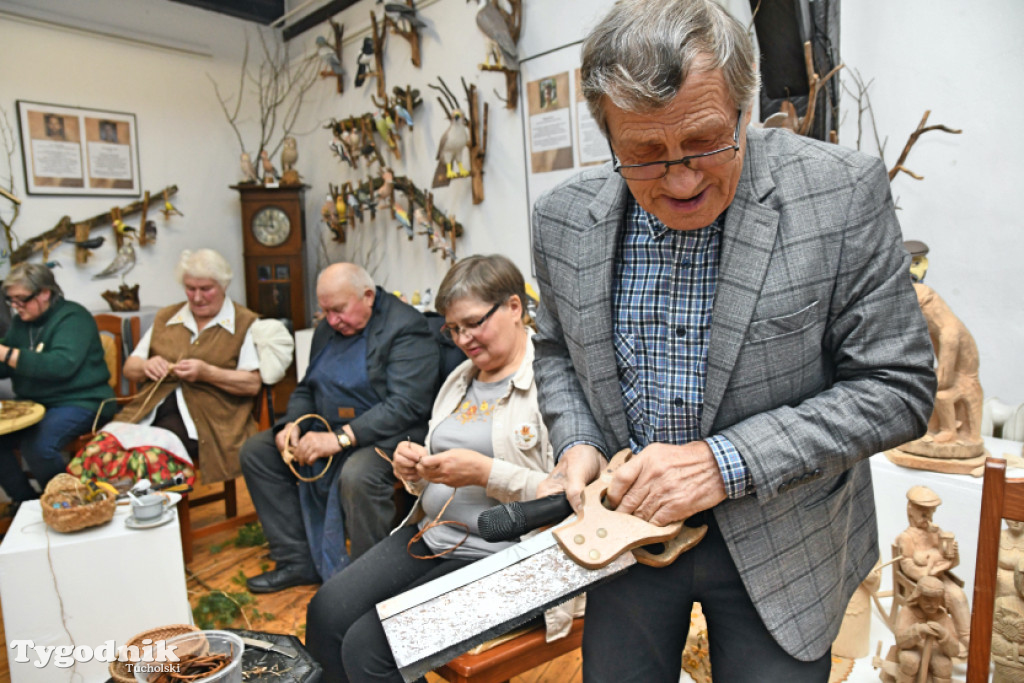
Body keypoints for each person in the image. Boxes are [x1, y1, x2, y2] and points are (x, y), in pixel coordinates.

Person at [529, 0, 936, 679]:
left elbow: (898, 386)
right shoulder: (562, 220)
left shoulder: (839, 195)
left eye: (706, 142)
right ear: (607, 136)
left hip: (786, 541)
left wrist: (721, 463)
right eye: (645, 155)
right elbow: (555, 351)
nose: (683, 179)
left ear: (743, 109)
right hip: (624, 533)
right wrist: (576, 443)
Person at [305, 254, 567, 681]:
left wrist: (486, 474)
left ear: (515, 307)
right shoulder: (461, 379)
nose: (463, 339)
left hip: (511, 559)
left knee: (371, 647)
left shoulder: (551, 381)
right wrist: (414, 471)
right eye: (454, 329)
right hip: (435, 536)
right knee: (327, 612)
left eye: (473, 323)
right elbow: (428, 482)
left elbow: (570, 497)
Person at [241, 263, 439, 593]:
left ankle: (367, 582)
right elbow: (307, 388)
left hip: (393, 433)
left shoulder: (406, 327)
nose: (331, 321)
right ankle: (297, 560)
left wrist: (341, 438)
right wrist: (293, 424)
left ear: (368, 296)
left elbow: (406, 405)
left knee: (358, 473)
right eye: (325, 311)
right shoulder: (329, 328)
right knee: (258, 452)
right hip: (330, 425)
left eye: (338, 310)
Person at [114, 249, 289, 485]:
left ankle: (156, 515)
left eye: (206, 289)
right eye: (190, 288)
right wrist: (147, 365)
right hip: (150, 411)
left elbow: (251, 384)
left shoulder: (244, 323)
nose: (196, 297)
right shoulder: (167, 317)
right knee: (103, 449)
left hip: (210, 422)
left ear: (224, 285)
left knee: (146, 457)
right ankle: (113, 513)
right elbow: (130, 368)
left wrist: (207, 373)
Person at [0, 263, 115, 499]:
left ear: (45, 293)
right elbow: (5, 366)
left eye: (21, 299)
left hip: (82, 402)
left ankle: (69, 502)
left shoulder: (74, 318)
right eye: (11, 300)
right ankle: (27, 503)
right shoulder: (22, 323)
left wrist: (6, 354)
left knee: (39, 447)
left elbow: (60, 366)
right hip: (35, 406)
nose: (15, 306)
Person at [895, 486, 970, 654]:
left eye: (930, 513)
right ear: (910, 511)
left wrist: (952, 557)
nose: (927, 518)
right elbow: (907, 566)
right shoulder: (906, 537)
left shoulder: (937, 533)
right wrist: (927, 571)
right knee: (937, 594)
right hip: (920, 584)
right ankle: (947, 635)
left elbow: (950, 560)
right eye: (923, 513)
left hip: (940, 578)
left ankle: (965, 636)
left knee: (958, 595)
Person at [891, 576, 960, 683]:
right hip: (912, 649)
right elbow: (900, 640)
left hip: (936, 652)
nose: (933, 605)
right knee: (910, 661)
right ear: (918, 597)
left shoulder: (944, 617)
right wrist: (918, 629)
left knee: (944, 666)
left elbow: (955, 650)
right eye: (927, 600)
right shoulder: (907, 611)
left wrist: (943, 634)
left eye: (936, 601)